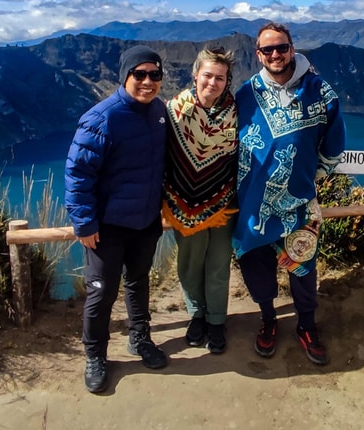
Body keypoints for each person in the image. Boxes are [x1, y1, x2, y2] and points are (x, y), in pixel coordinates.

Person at [233, 23, 346, 366]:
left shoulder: (320, 90)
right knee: (258, 266)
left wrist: (316, 177)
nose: (275, 55)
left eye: (281, 47)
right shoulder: (245, 94)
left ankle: (307, 326)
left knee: (303, 268)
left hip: (299, 202)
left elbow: (334, 142)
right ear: (258, 55)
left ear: (292, 48)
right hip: (254, 204)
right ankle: (268, 320)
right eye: (267, 50)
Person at [63, 45, 170, 394]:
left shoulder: (159, 113)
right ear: (124, 76)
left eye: (155, 74)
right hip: (108, 228)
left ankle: (140, 338)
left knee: (139, 281)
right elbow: (78, 174)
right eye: (139, 74)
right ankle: (95, 356)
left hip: (145, 222)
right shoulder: (102, 117)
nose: (147, 81)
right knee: (101, 292)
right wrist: (85, 224)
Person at [162, 46, 239, 354]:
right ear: (195, 75)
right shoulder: (173, 111)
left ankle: (217, 321)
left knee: (219, 263)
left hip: (224, 200)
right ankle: (197, 315)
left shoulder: (236, 112)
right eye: (207, 75)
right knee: (191, 263)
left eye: (220, 77)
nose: (213, 83)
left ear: (227, 80)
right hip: (181, 200)